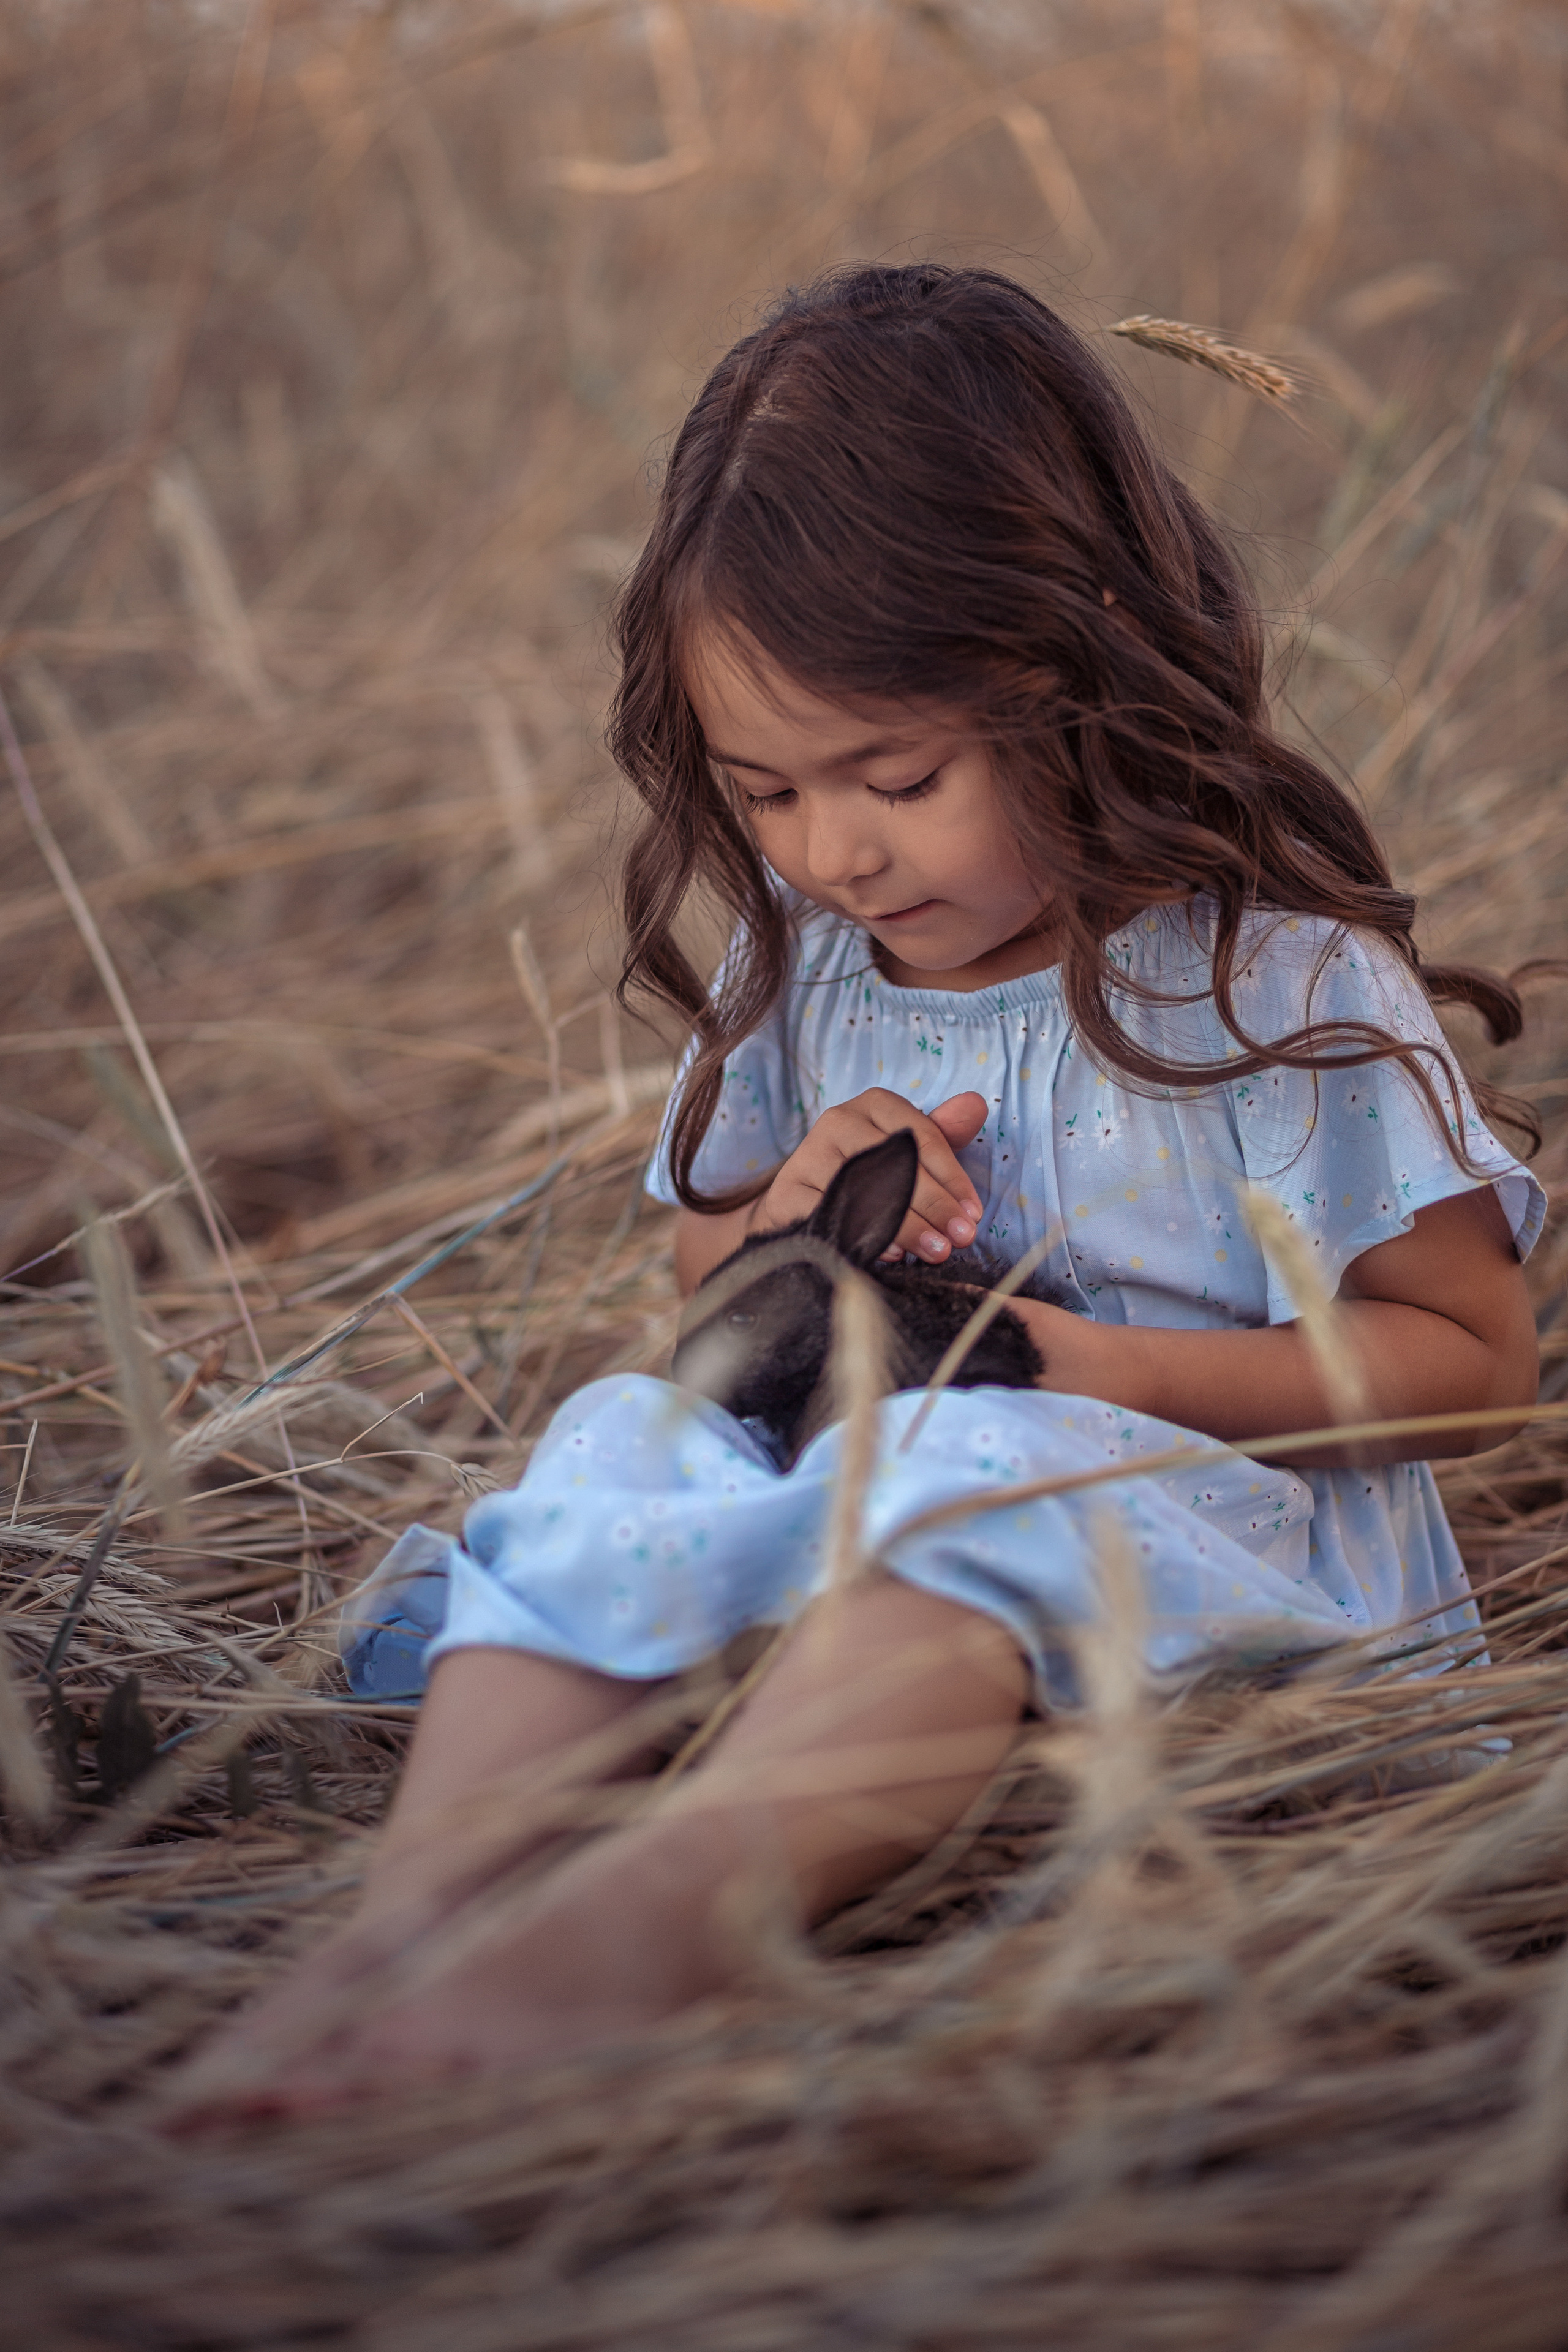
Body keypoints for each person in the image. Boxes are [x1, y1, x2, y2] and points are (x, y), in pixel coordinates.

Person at [189, 264, 1541, 2114]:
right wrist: (791, 1231)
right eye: (765, 794)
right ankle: (400, 1930)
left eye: (896, 775)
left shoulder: (1275, 991)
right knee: (621, 1434)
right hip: (866, 1476)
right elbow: (708, 1289)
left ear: (1080, 674)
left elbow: (1470, 1361)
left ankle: (638, 1934)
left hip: (1213, 1540)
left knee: (965, 1481)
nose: (833, 852)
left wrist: (1103, 1380)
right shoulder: (810, 972)